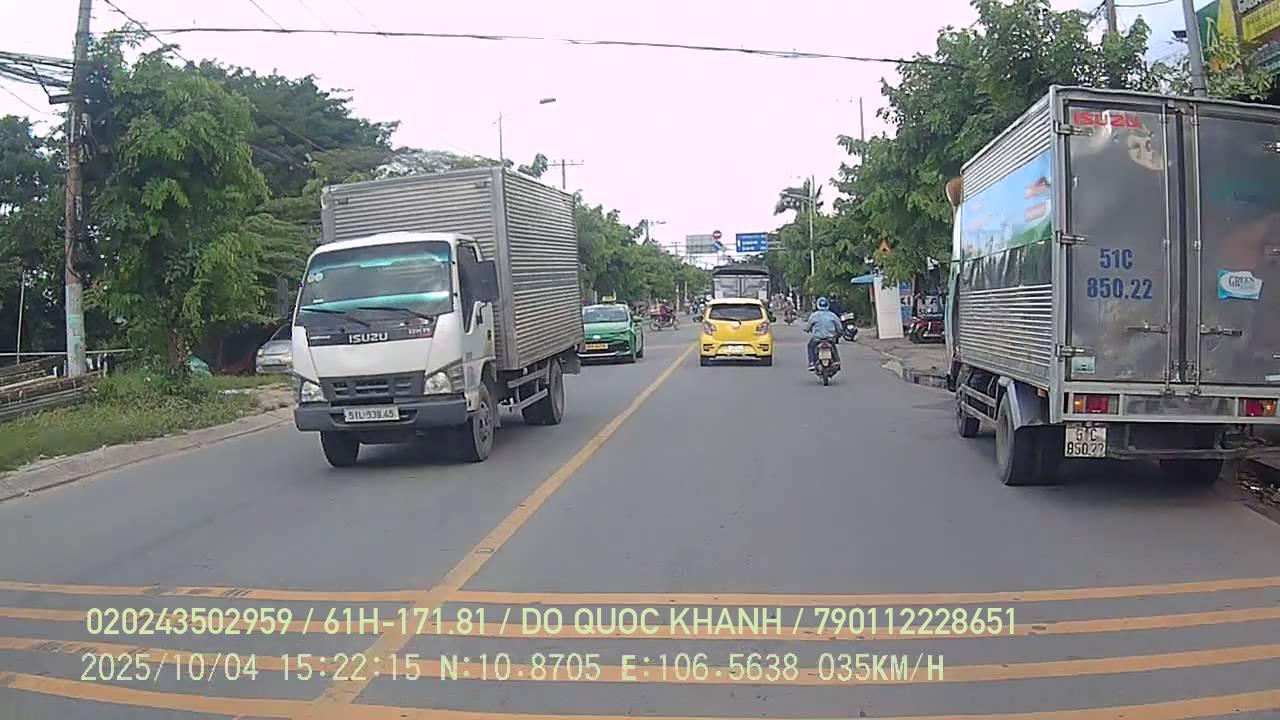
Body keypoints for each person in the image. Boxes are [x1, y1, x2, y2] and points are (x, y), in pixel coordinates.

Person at [803, 296, 842, 370]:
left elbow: (807, 327)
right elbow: (839, 327)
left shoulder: (814, 315)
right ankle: (837, 361)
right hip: (829, 338)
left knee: (810, 346)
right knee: (834, 347)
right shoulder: (832, 315)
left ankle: (811, 363)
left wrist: (807, 330)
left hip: (817, 339)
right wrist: (839, 333)